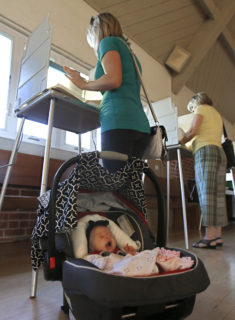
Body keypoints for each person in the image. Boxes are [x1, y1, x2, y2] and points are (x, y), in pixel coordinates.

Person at [64, 12, 151, 173]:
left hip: (119, 123)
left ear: (96, 32)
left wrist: (84, 84)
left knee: (113, 185)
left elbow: (113, 79)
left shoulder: (108, 42)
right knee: (130, 188)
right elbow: (123, 89)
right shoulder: (129, 52)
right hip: (140, 126)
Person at [180, 92, 228, 249]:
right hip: (220, 153)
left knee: (206, 192)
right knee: (218, 195)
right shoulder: (216, 114)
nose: (193, 111)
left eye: (191, 108)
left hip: (206, 152)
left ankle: (209, 237)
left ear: (196, 102)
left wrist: (180, 140)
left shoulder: (201, 109)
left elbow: (192, 131)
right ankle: (217, 236)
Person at [84, 220, 194, 276]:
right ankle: (158, 267)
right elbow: (93, 265)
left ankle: (166, 264)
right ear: (91, 246)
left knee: (146, 255)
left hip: (130, 264)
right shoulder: (92, 255)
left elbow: (130, 259)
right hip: (115, 273)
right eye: (102, 236)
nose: (107, 236)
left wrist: (131, 253)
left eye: (109, 234)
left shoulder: (119, 251)